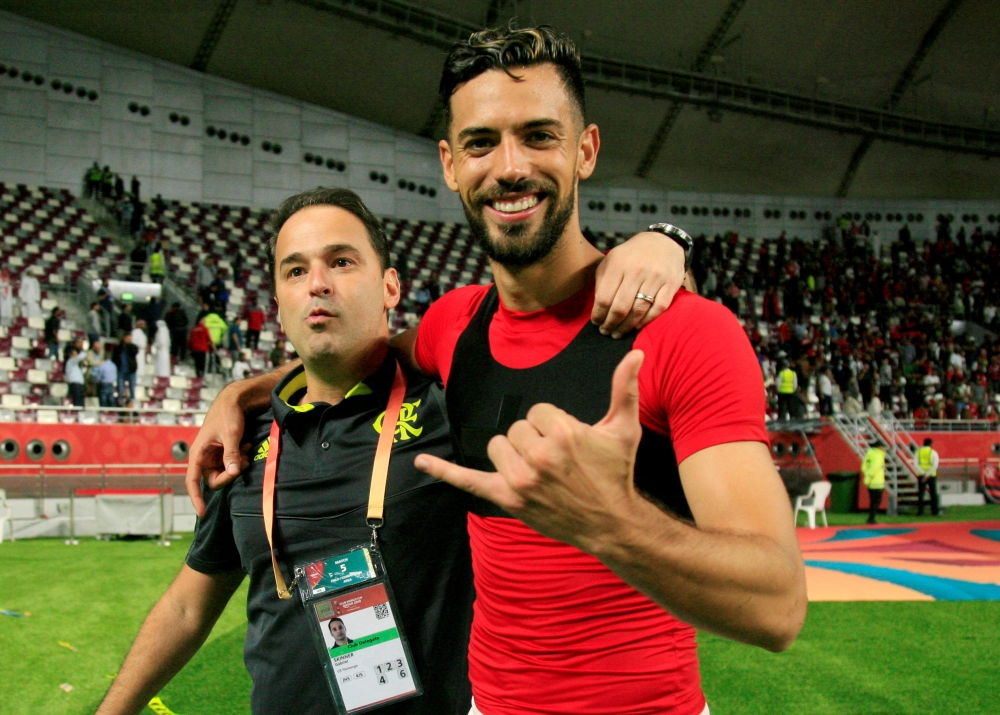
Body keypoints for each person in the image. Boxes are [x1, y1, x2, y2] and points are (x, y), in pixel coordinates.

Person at [187, 26, 803, 715]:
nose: (509, 166)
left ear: (586, 151)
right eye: (482, 142)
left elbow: (778, 605)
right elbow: (354, 355)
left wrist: (611, 523)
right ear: (451, 164)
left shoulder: (686, 332)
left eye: (539, 135)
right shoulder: (454, 326)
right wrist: (241, 392)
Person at [96, 188, 478, 715]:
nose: (317, 283)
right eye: (295, 271)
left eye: (341, 261)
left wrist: (637, 251)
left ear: (390, 286)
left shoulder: (446, 408)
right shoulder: (243, 438)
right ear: (278, 305)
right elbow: (188, 607)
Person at [862, 441, 886, 525]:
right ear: (879, 447)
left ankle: (871, 519)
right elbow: (875, 468)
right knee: (876, 502)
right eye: (883, 447)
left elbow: (864, 467)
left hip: (870, 483)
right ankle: (871, 519)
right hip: (877, 482)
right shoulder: (879, 455)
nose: (884, 449)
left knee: (872, 502)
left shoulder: (869, 454)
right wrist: (870, 477)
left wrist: (867, 478)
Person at [915, 437, 940, 517]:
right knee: (933, 494)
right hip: (931, 475)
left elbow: (915, 464)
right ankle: (935, 511)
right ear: (931, 444)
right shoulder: (933, 452)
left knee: (921, 494)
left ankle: (920, 512)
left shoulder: (918, 452)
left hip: (921, 475)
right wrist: (928, 474)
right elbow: (935, 465)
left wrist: (923, 473)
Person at [113, 334, 139, 406]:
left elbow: (135, 352)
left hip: (131, 372)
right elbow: (115, 358)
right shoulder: (118, 348)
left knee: (132, 389)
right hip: (121, 371)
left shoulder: (132, 347)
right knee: (120, 389)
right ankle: (120, 403)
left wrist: (129, 345)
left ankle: (132, 403)